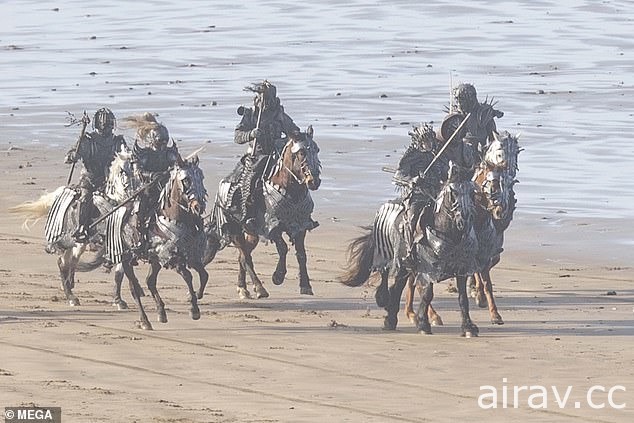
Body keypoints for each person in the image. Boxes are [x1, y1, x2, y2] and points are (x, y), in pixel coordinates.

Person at [231, 80, 300, 232]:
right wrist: (251, 134)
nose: (266, 103)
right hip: (258, 154)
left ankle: (301, 213)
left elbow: (294, 130)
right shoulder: (251, 114)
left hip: (277, 154)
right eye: (264, 99)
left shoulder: (279, 115)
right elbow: (237, 136)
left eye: (269, 99)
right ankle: (249, 215)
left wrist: (286, 140)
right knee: (251, 180)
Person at [64, 108, 126, 242]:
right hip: (90, 179)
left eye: (109, 125)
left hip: (111, 181)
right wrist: (73, 156)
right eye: (105, 125)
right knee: (85, 198)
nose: (107, 128)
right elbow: (71, 155)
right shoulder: (87, 140)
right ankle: (80, 228)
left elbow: (126, 156)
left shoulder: (118, 141)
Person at [125, 113, 183, 255]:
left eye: (164, 141)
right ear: (152, 140)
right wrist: (152, 175)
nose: (163, 144)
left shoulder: (169, 153)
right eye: (160, 141)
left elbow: (178, 164)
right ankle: (140, 235)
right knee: (141, 207)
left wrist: (177, 168)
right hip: (148, 188)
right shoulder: (144, 154)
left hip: (167, 187)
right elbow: (138, 171)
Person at [394, 123, 447, 265]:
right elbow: (399, 175)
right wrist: (411, 181)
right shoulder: (411, 156)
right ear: (419, 141)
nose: (429, 144)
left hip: (436, 195)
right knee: (412, 219)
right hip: (418, 196)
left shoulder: (437, 156)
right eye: (425, 141)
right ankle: (410, 249)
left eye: (430, 140)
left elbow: (444, 174)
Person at [439, 83, 504, 172]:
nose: (459, 104)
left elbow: (493, 140)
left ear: (470, 99)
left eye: (461, 100)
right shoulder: (454, 117)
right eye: (457, 100)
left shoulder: (484, 115)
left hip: (480, 156)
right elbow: (445, 138)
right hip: (458, 155)